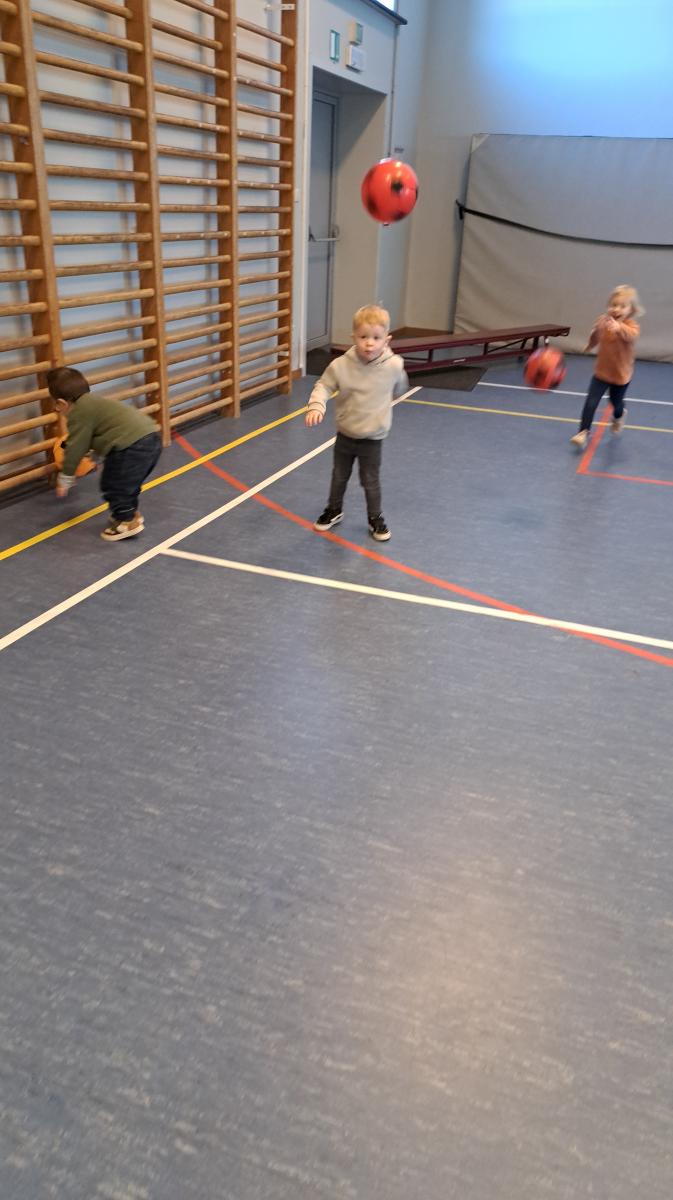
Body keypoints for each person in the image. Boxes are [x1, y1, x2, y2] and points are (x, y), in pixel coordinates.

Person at [305, 304, 408, 541]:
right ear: (353, 338)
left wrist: (392, 396)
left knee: (370, 481)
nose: (369, 343)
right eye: (363, 337)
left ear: (386, 340)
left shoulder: (394, 366)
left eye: (376, 338)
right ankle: (334, 509)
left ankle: (375, 517)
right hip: (346, 435)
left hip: (373, 438)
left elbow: (400, 385)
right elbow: (324, 385)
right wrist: (317, 405)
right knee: (339, 476)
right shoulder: (341, 365)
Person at [47, 366, 162, 542]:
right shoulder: (94, 403)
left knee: (114, 485)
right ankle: (130, 513)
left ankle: (126, 522)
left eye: (56, 405)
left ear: (62, 403)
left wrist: (66, 477)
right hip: (150, 438)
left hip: (132, 446)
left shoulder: (78, 413)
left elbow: (75, 447)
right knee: (127, 484)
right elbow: (101, 435)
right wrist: (94, 457)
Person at [570, 285, 644, 450]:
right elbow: (596, 335)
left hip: (620, 375)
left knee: (615, 403)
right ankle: (583, 433)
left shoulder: (632, 326)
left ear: (631, 310)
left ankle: (619, 415)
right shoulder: (603, 321)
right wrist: (590, 345)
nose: (616, 309)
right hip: (601, 373)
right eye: (613, 305)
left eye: (622, 306)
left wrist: (619, 328)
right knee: (591, 402)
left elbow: (631, 336)